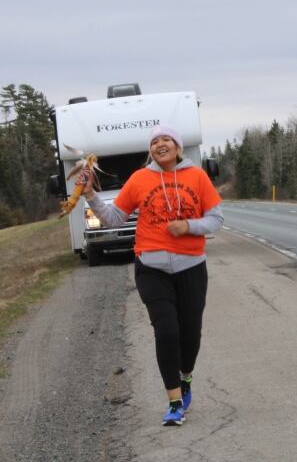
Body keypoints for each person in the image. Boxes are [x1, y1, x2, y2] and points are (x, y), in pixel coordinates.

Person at [79, 125, 223, 426]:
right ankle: (174, 403)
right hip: (151, 267)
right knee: (167, 331)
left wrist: (189, 226)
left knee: (190, 336)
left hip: (191, 266)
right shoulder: (140, 178)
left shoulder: (196, 176)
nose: (160, 144)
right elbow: (114, 217)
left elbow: (215, 218)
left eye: (167, 139)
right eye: (155, 141)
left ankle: (186, 378)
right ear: (150, 150)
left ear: (178, 147)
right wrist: (91, 194)